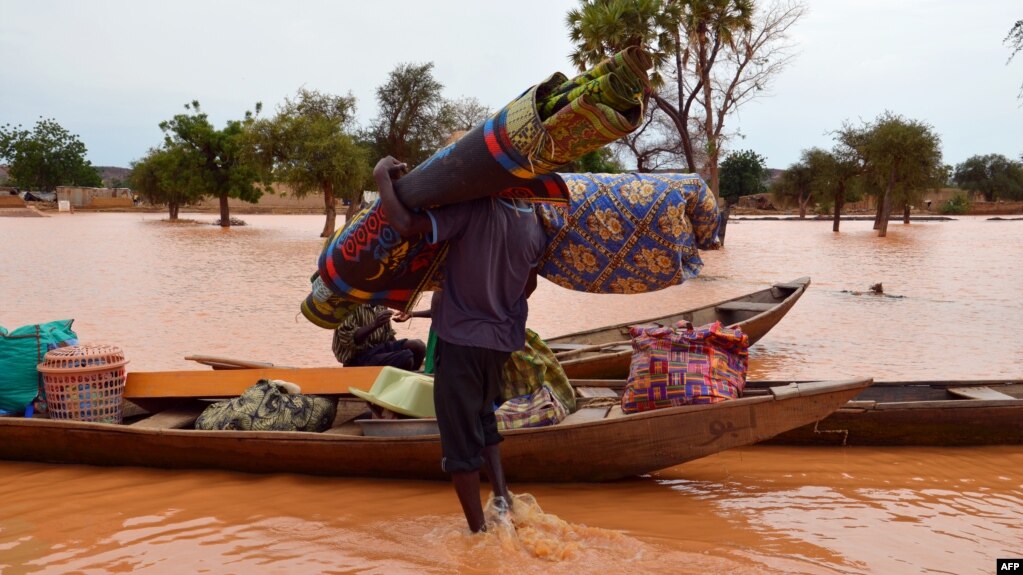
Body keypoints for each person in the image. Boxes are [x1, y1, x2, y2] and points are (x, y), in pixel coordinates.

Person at [374, 155, 546, 533]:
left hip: (461, 341)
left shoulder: (472, 209)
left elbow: (403, 224)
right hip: (500, 343)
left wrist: (381, 178)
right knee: (483, 416)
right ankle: (501, 497)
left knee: (459, 445)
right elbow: (528, 287)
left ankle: (479, 536)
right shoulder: (532, 222)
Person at [331, 303, 426, 371]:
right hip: (357, 358)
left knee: (419, 346)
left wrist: (397, 349)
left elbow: (388, 336)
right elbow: (349, 339)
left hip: (377, 350)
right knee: (406, 358)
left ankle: (411, 380)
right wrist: (374, 325)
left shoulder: (380, 303)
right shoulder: (348, 304)